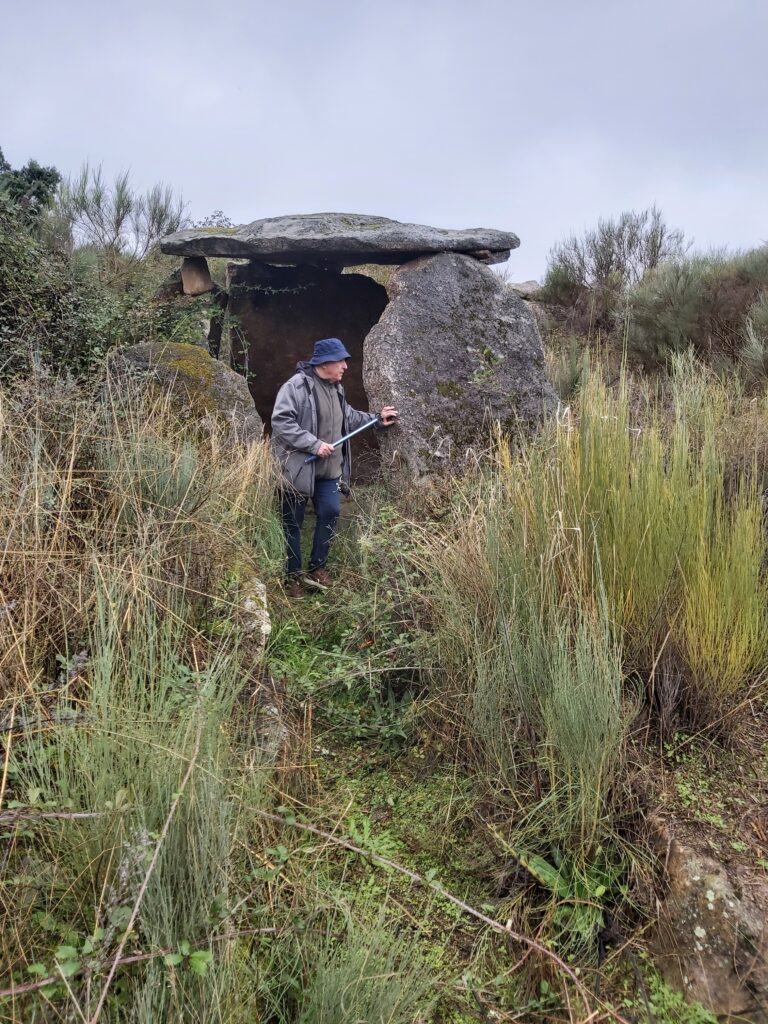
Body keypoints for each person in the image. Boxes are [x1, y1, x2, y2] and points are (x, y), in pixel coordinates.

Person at [271, 337, 398, 596]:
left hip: (329, 472)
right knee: (292, 523)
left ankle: (317, 568)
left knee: (330, 513)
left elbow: (348, 417)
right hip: (297, 470)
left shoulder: (336, 389)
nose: (345, 366)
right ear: (324, 363)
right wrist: (314, 444)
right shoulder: (295, 387)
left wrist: (376, 419)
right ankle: (292, 577)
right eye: (341, 361)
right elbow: (281, 422)